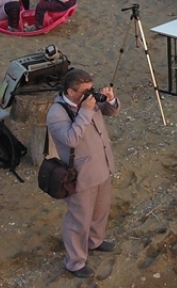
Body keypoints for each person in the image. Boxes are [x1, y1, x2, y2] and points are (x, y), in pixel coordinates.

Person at [47, 68, 120, 279]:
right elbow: (71, 139)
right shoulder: (57, 113)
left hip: (102, 167)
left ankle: (95, 241)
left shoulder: (87, 101)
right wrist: (86, 111)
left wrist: (111, 100)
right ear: (70, 92)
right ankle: (75, 262)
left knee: (100, 212)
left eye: (91, 90)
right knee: (78, 220)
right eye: (85, 91)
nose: (90, 95)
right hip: (81, 175)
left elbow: (111, 111)